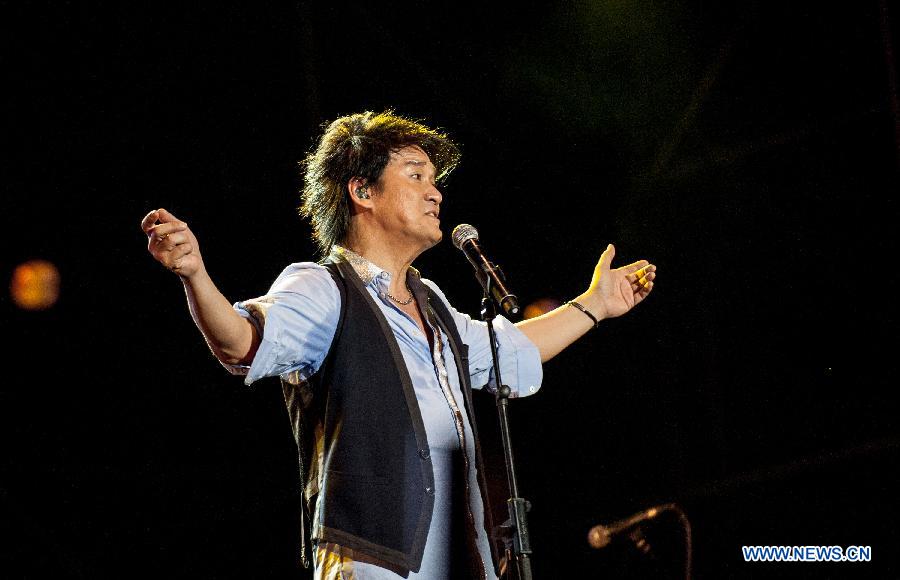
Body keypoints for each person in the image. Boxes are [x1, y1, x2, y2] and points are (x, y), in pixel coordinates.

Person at [140, 110, 656, 580]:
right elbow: (242, 341)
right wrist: (195, 276)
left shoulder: (430, 301)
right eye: (415, 176)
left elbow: (507, 351)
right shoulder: (323, 287)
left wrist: (595, 305)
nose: (435, 194)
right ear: (362, 191)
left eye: (435, 181)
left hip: (463, 553)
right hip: (375, 557)